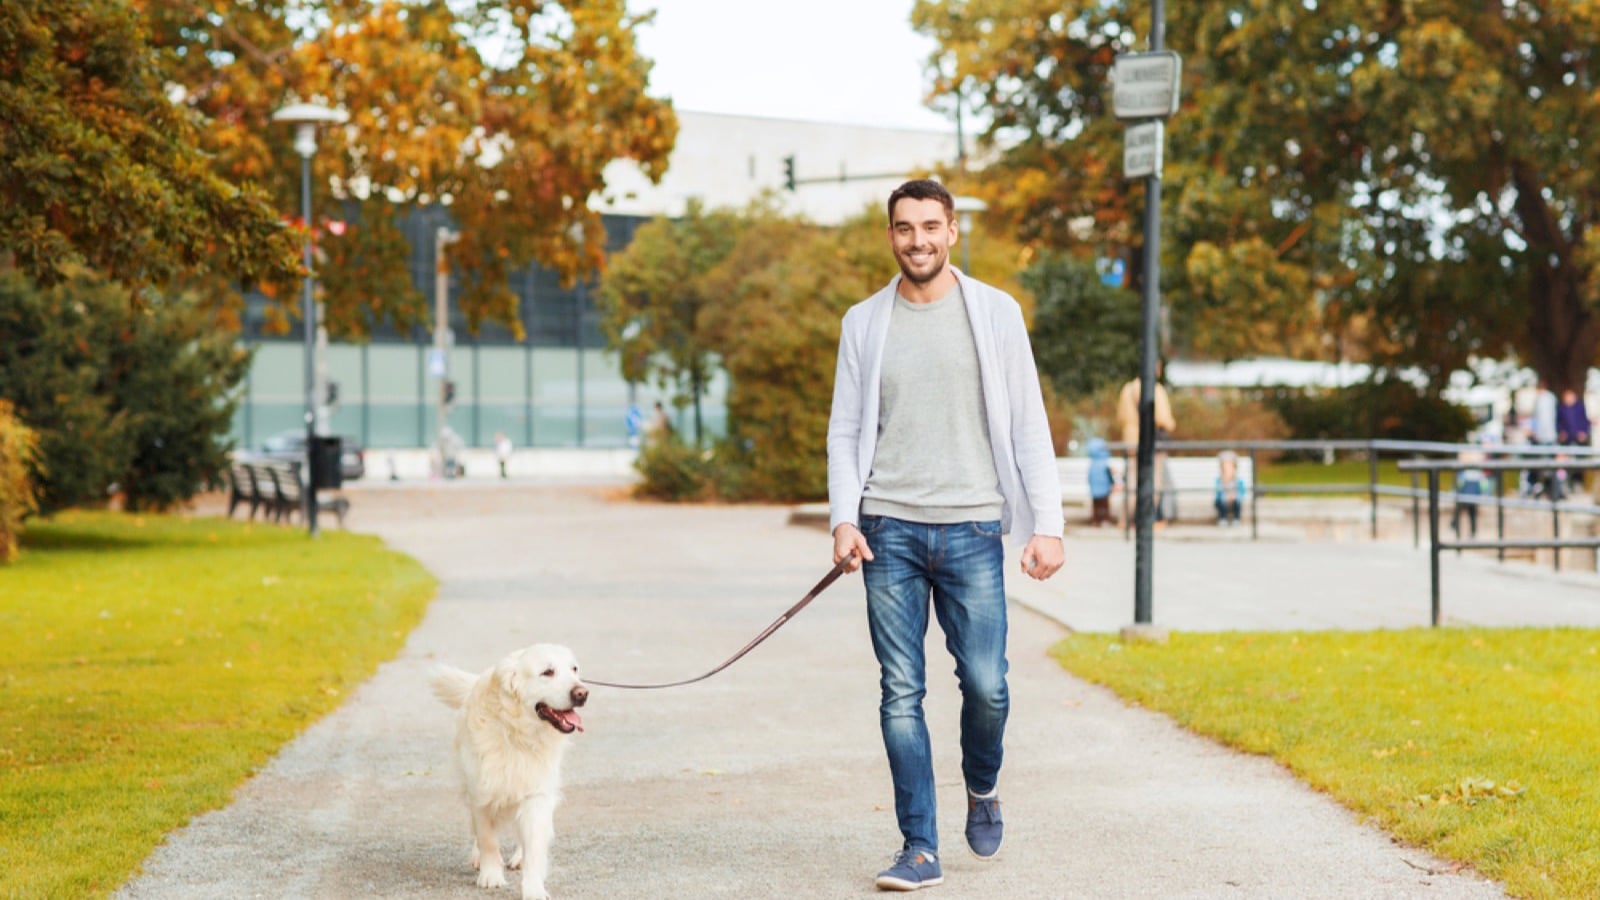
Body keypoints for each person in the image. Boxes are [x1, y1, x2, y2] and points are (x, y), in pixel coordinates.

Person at [827, 179, 1064, 892]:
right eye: (904, 228)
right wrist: (844, 517)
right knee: (901, 690)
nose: (918, 240)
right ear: (891, 235)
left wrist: (1047, 526)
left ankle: (983, 785)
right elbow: (844, 430)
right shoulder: (864, 322)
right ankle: (919, 847)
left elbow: (1028, 423)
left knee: (987, 686)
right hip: (888, 532)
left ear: (953, 230)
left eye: (931, 226)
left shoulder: (995, 313)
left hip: (972, 528)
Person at [1115, 363, 1177, 528]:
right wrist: (1170, 424)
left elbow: (1121, 416)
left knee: (1132, 481)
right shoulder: (1154, 389)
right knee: (1153, 480)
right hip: (1150, 441)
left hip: (1131, 440)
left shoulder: (1127, 389)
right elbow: (1162, 418)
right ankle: (1146, 519)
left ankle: (1126, 520)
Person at [1086, 437, 1118, 526]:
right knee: (1104, 505)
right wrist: (1113, 483)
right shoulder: (1104, 462)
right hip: (1104, 489)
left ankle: (1096, 520)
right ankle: (1104, 519)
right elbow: (1109, 475)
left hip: (1095, 489)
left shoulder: (1093, 463)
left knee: (1096, 505)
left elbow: (1089, 477)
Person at [1214, 450, 1246, 527]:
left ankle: (1236, 519)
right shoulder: (1220, 480)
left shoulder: (1238, 480)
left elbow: (1242, 491)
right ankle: (1223, 518)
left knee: (1237, 502)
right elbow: (1218, 493)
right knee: (1219, 503)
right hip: (1223, 499)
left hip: (1234, 499)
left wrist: (1234, 496)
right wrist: (1225, 481)